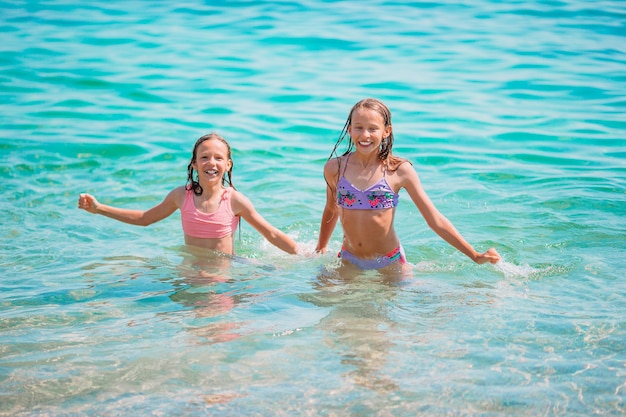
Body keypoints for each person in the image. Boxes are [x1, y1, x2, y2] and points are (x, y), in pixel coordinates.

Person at [315, 98, 500, 271]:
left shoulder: (399, 170)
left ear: (386, 131)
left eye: (373, 129)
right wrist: (320, 248)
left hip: (389, 261)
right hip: (349, 259)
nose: (365, 135)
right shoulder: (335, 168)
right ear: (349, 129)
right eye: (359, 127)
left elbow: (434, 219)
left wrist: (474, 255)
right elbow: (331, 210)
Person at [78, 133, 298, 256]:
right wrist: (99, 209)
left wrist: (302, 255)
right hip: (190, 274)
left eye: (218, 158)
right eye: (204, 157)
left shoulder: (234, 200)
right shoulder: (181, 196)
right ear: (194, 164)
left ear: (228, 165)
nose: (211, 162)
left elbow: (271, 234)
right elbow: (145, 219)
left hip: (224, 277)